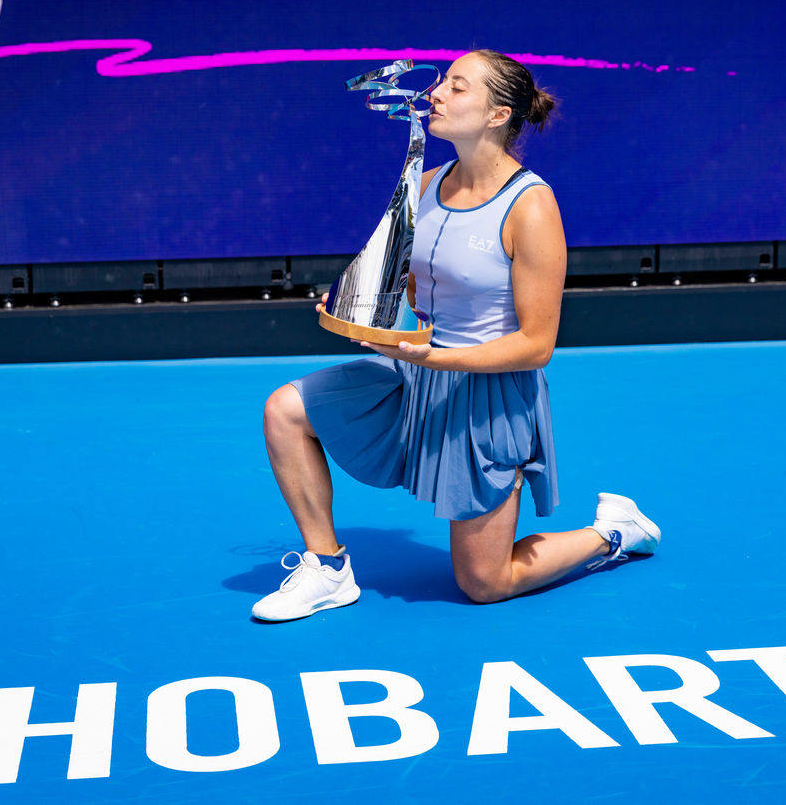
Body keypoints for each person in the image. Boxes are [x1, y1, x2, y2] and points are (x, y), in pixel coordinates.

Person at [252, 49, 658, 621]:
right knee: (285, 411)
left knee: (485, 582)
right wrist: (358, 306)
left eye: (457, 87)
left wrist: (435, 357)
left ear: (498, 114)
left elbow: (536, 345)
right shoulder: (425, 184)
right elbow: (417, 297)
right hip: (417, 371)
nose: (437, 92)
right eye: (442, 81)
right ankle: (327, 568)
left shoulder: (532, 206)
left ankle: (612, 532)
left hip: (489, 395)